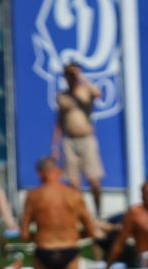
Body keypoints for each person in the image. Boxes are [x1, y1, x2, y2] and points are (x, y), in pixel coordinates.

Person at [53, 62, 106, 214]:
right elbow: (59, 120)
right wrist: (55, 144)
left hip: (87, 139)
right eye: (69, 74)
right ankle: (81, 215)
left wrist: (81, 77)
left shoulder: (85, 90)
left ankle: (98, 212)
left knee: (94, 180)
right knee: (73, 183)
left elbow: (98, 94)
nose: (72, 77)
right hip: (69, 140)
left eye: (74, 74)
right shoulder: (62, 96)